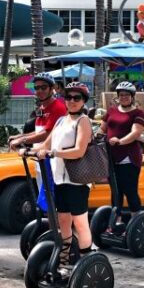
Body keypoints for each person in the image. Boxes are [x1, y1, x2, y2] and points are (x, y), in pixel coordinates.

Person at [27, 82, 95, 271]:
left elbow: (79, 151)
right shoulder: (60, 121)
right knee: (63, 220)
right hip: (59, 179)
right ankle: (64, 262)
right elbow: (45, 145)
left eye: (77, 98)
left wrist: (54, 153)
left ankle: (86, 262)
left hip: (77, 180)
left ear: (83, 101)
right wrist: (25, 148)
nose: (72, 101)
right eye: (69, 97)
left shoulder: (83, 121)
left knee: (80, 222)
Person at [100, 81, 144, 230]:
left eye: (127, 95)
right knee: (115, 191)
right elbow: (102, 129)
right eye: (121, 95)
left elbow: (136, 132)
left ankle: (136, 223)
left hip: (129, 158)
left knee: (130, 190)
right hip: (111, 157)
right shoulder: (112, 111)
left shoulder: (137, 113)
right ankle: (116, 221)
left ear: (132, 97)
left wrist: (120, 141)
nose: (124, 97)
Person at [8, 73, 67, 151]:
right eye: (37, 87)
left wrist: (22, 140)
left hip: (52, 156)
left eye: (44, 87)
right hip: (39, 154)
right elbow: (40, 131)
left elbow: (48, 134)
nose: (39, 90)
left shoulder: (58, 108)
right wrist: (20, 136)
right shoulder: (41, 108)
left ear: (52, 88)